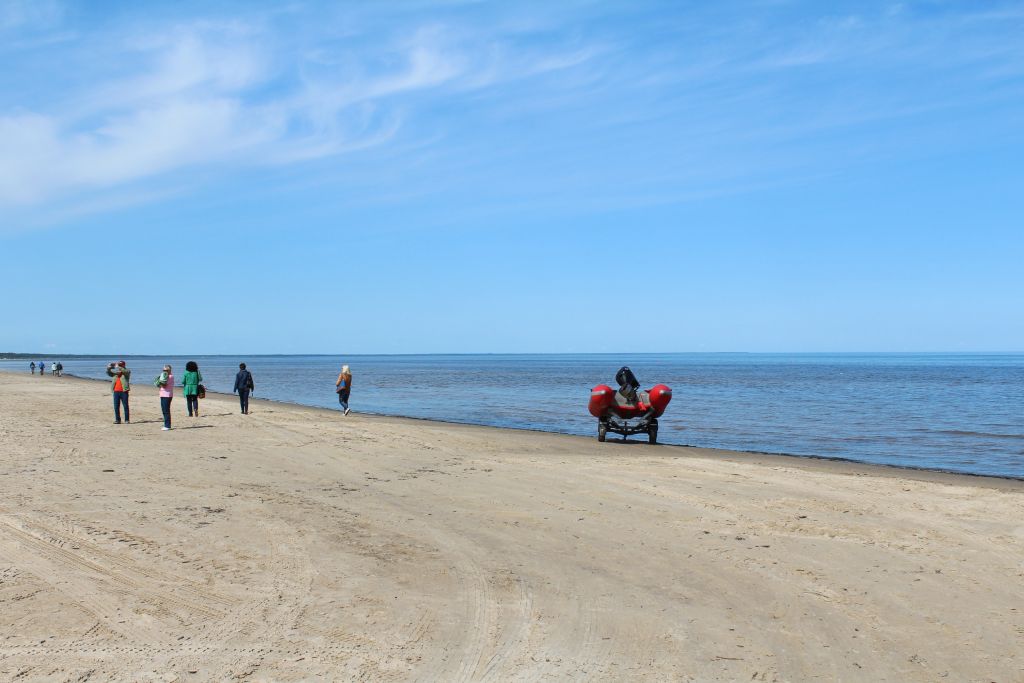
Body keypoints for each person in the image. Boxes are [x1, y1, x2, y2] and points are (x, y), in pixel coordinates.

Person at [156, 365, 174, 430]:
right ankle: (166, 424)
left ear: (169, 370)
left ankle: (167, 426)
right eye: (164, 370)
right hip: (163, 394)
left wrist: (160, 381)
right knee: (164, 410)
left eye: (166, 370)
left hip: (167, 395)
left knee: (166, 410)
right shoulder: (165, 376)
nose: (164, 372)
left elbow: (163, 385)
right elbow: (159, 384)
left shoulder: (170, 376)